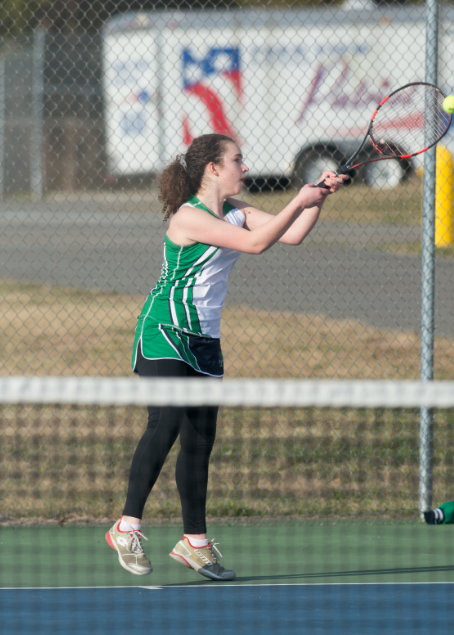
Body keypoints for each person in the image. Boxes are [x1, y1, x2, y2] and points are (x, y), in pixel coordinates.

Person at [106, 133, 346, 581]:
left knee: (199, 441)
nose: (245, 167)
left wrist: (318, 199)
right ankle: (127, 526)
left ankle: (194, 542)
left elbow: (289, 235)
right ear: (213, 169)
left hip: (204, 339)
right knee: (167, 421)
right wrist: (300, 197)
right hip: (163, 331)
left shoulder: (238, 212)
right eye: (238, 160)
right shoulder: (188, 217)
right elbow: (255, 245)